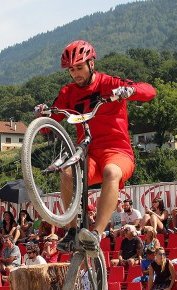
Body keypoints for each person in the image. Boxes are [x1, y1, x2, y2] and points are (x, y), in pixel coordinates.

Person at [39, 40, 155, 253]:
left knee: (111, 171)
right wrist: (42, 115)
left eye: (79, 67)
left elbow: (150, 91)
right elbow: (48, 125)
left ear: (92, 63)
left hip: (118, 152)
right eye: (71, 70)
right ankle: (72, 231)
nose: (75, 74)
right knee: (67, 173)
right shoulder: (68, 92)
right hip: (88, 153)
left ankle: (97, 233)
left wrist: (130, 91)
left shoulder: (109, 82)